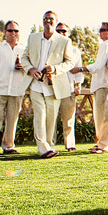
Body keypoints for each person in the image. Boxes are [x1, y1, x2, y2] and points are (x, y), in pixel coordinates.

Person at [20, 11, 75, 158]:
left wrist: (55, 69)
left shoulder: (64, 41)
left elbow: (70, 62)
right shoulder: (33, 37)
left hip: (54, 85)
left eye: (51, 19)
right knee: (40, 115)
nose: (47, 21)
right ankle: (43, 148)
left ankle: (49, 146)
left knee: (51, 117)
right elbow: (24, 58)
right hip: (36, 84)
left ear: (56, 21)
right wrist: (30, 69)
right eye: (45, 19)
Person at [0, 21, 31, 156]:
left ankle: (9, 146)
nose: (13, 33)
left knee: (12, 120)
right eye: (10, 31)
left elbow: (30, 70)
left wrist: (23, 68)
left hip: (16, 90)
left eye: (16, 31)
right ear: (5, 32)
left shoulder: (24, 50)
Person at [70, 21, 108, 147]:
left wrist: (79, 69)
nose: (100, 32)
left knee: (101, 116)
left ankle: (102, 144)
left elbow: (98, 66)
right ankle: (102, 143)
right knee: (102, 116)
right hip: (103, 85)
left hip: (103, 85)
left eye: (103, 30)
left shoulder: (106, 45)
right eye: (100, 30)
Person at [56, 22, 84, 152]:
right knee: (49, 119)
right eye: (58, 31)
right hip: (52, 88)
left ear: (68, 33)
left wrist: (78, 85)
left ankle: (70, 144)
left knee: (68, 119)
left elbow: (78, 69)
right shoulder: (50, 48)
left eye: (63, 31)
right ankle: (49, 146)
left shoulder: (74, 51)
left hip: (69, 88)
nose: (61, 33)